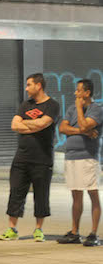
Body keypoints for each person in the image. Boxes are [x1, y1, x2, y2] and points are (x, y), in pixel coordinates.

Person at [0, 73, 60, 242]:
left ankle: (38, 229)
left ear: (38, 86)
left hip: (42, 158)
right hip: (22, 157)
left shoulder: (52, 105)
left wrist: (25, 124)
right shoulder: (26, 105)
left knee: (41, 194)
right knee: (16, 192)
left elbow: (44, 124)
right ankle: (12, 228)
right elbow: (14, 125)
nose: (26, 88)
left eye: (29, 84)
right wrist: (34, 125)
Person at [57, 79, 103, 247]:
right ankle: (74, 232)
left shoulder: (96, 109)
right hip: (71, 156)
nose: (75, 93)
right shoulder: (70, 108)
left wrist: (79, 110)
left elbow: (85, 125)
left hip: (88, 157)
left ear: (87, 92)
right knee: (75, 194)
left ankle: (93, 233)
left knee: (92, 193)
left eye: (78, 90)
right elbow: (63, 128)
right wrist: (82, 131)